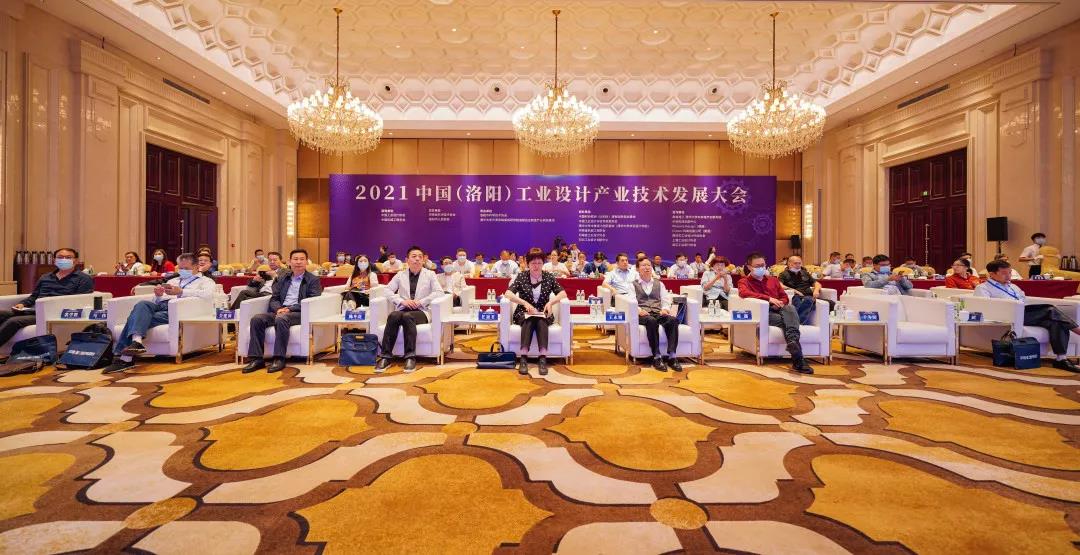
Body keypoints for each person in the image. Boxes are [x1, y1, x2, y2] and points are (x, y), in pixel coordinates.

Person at [103, 253, 213, 373]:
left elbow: (207, 295)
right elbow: (158, 300)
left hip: (179, 309)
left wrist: (182, 291)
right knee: (142, 304)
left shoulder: (205, 281)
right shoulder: (174, 280)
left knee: (135, 318)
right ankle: (136, 342)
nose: (182, 271)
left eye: (186, 268)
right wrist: (158, 295)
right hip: (161, 305)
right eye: (180, 268)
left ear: (196, 266)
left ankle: (124, 358)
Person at [974, 260, 1080, 372]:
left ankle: (1061, 359)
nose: (1008, 276)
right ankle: (1077, 329)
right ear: (992, 274)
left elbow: (1025, 300)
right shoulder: (983, 288)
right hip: (1008, 316)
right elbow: (985, 308)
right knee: (1050, 310)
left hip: (1024, 313)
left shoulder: (1013, 287)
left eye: (1010, 272)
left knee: (1057, 322)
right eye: (1004, 273)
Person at [241, 249, 323, 374]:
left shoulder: (313, 279)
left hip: (299, 312)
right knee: (257, 319)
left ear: (306, 262)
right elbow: (274, 298)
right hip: (280, 310)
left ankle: (279, 358)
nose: (298, 262)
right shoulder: (283, 278)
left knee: (281, 319)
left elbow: (312, 299)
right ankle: (256, 359)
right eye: (295, 259)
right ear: (289, 261)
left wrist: (290, 309)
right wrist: (278, 309)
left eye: (302, 259)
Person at [0, 248, 94, 353]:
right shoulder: (46, 277)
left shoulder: (84, 279)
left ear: (75, 261)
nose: (64, 259)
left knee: (13, 321)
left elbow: (80, 301)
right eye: (60, 257)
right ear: (54, 260)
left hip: (55, 314)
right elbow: (34, 296)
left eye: (68, 257)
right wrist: (22, 304)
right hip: (34, 310)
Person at [738, 253, 814, 374]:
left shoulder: (773, 280)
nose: (761, 268)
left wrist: (779, 302)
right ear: (749, 267)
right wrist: (769, 299)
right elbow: (744, 293)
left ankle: (794, 346)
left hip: (780, 309)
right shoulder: (744, 281)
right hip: (765, 313)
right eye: (757, 266)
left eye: (763, 265)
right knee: (790, 321)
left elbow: (784, 297)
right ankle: (798, 359)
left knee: (790, 308)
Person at [375, 246, 443, 373]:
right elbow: (387, 290)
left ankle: (410, 357)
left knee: (408, 317)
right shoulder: (400, 275)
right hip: (403, 308)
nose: (417, 259)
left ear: (423, 260)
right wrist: (401, 301)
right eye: (414, 256)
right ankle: (385, 357)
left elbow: (439, 292)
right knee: (393, 316)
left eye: (420, 257)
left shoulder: (430, 274)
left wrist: (420, 302)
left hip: (421, 311)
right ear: (407, 260)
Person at [503, 248, 567, 376]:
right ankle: (523, 358)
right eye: (533, 263)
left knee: (541, 320)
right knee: (529, 319)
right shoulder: (522, 276)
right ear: (528, 263)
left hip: (543, 312)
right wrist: (524, 303)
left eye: (539, 263)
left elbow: (563, 293)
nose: (536, 266)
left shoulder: (548, 277)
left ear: (543, 263)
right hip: (523, 312)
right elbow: (508, 293)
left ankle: (542, 358)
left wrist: (551, 303)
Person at [632, 259, 683, 372]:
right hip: (643, 314)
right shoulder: (633, 284)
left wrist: (665, 309)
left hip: (657, 312)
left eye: (648, 265)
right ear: (637, 269)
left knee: (673, 320)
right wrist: (639, 310)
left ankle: (672, 356)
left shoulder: (659, 283)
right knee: (651, 321)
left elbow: (666, 299)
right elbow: (631, 300)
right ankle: (657, 356)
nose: (647, 267)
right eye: (643, 265)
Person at [780, 255, 834, 321]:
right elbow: (780, 285)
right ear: (789, 264)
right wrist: (794, 290)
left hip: (810, 296)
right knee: (807, 300)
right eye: (795, 263)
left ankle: (826, 323)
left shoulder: (804, 273)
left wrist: (816, 290)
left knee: (831, 303)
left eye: (799, 263)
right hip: (797, 297)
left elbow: (817, 283)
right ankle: (799, 322)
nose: (798, 265)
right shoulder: (783, 274)